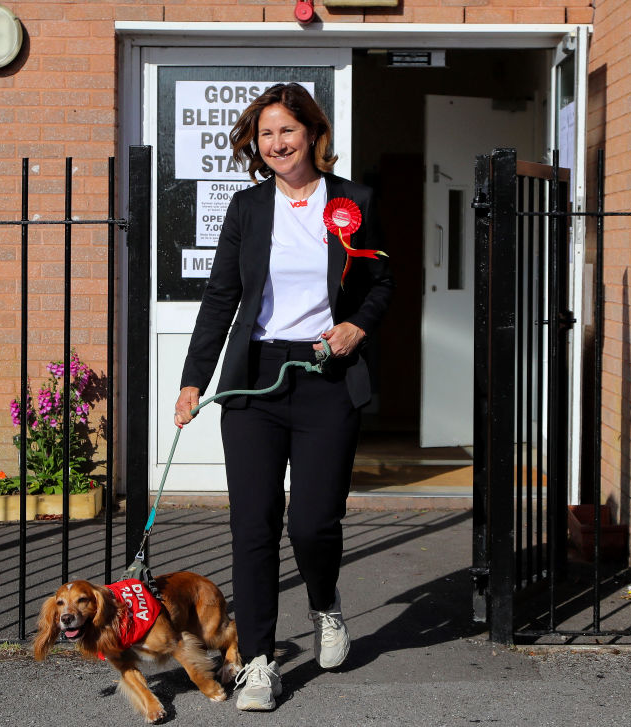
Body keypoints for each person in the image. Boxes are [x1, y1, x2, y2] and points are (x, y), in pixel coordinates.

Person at [174, 83, 393, 711]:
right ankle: (259, 662)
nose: (276, 143)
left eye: (286, 131)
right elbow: (221, 296)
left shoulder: (353, 200)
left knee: (314, 522)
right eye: (265, 134)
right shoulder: (247, 207)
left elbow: (383, 281)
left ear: (312, 134)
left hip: (327, 373)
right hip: (256, 378)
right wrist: (193, 381)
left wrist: (357, 327)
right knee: (254, 524)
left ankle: (325, 604)